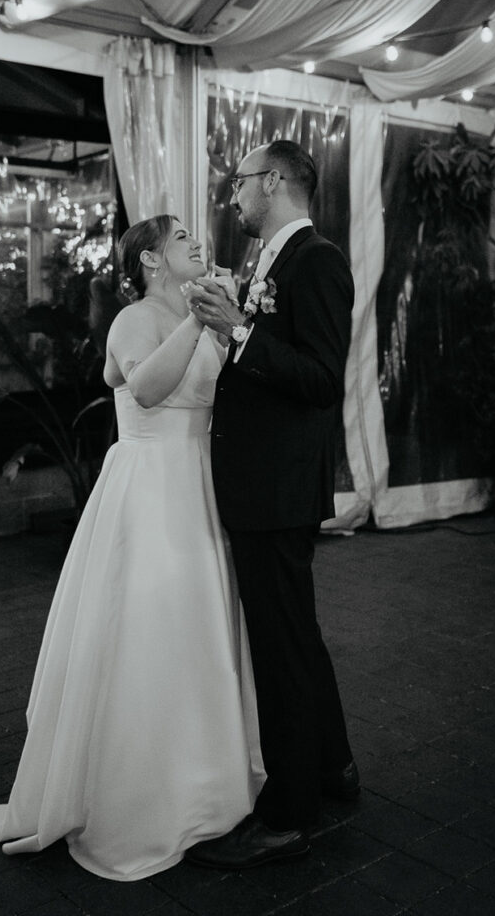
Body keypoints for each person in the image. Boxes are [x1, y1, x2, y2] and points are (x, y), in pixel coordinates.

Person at [0, 214, 265, 881]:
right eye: (181, 238)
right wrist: (199, 319)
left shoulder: (203, 316)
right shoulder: (133, 319)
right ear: (151, 261)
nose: (196, 244)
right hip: (149, 491)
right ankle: (136, 797)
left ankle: (202, 787)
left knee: (197, 636)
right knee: (145, 634)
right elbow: (149, 388)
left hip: (198, 488)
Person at [181, 140, 358, 869]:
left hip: (277, 485)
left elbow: (320, 378)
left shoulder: (316, 260)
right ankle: (332, 767)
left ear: (276, 182)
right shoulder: (265, 261)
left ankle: (287, 816)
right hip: (261, 480)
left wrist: (237, 330)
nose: (233, 196)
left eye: (241, 183)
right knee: (295, 635)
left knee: (280, 648)